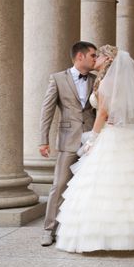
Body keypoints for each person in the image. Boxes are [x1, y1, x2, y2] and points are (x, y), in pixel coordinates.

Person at [56, 45, 134, 253]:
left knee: (102, 185)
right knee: (131, 186)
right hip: (122, 133)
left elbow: (102, 113)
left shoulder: (105, 83)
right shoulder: (116, 82)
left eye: (100, 55)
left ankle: (104, 237)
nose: (96, 59)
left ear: (108, 60)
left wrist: (92, 138)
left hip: (109, 134)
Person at [39, 41, 97, 246]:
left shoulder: (95, 80)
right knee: (60, 184)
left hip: (91, 140)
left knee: (89, 186)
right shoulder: (57, 79)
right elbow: (47, 111)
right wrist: (43, 140)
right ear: (79, 56)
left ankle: (80, 230)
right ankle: (48, 230)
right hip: (68, 140)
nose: (95, 59)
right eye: (92, 55)